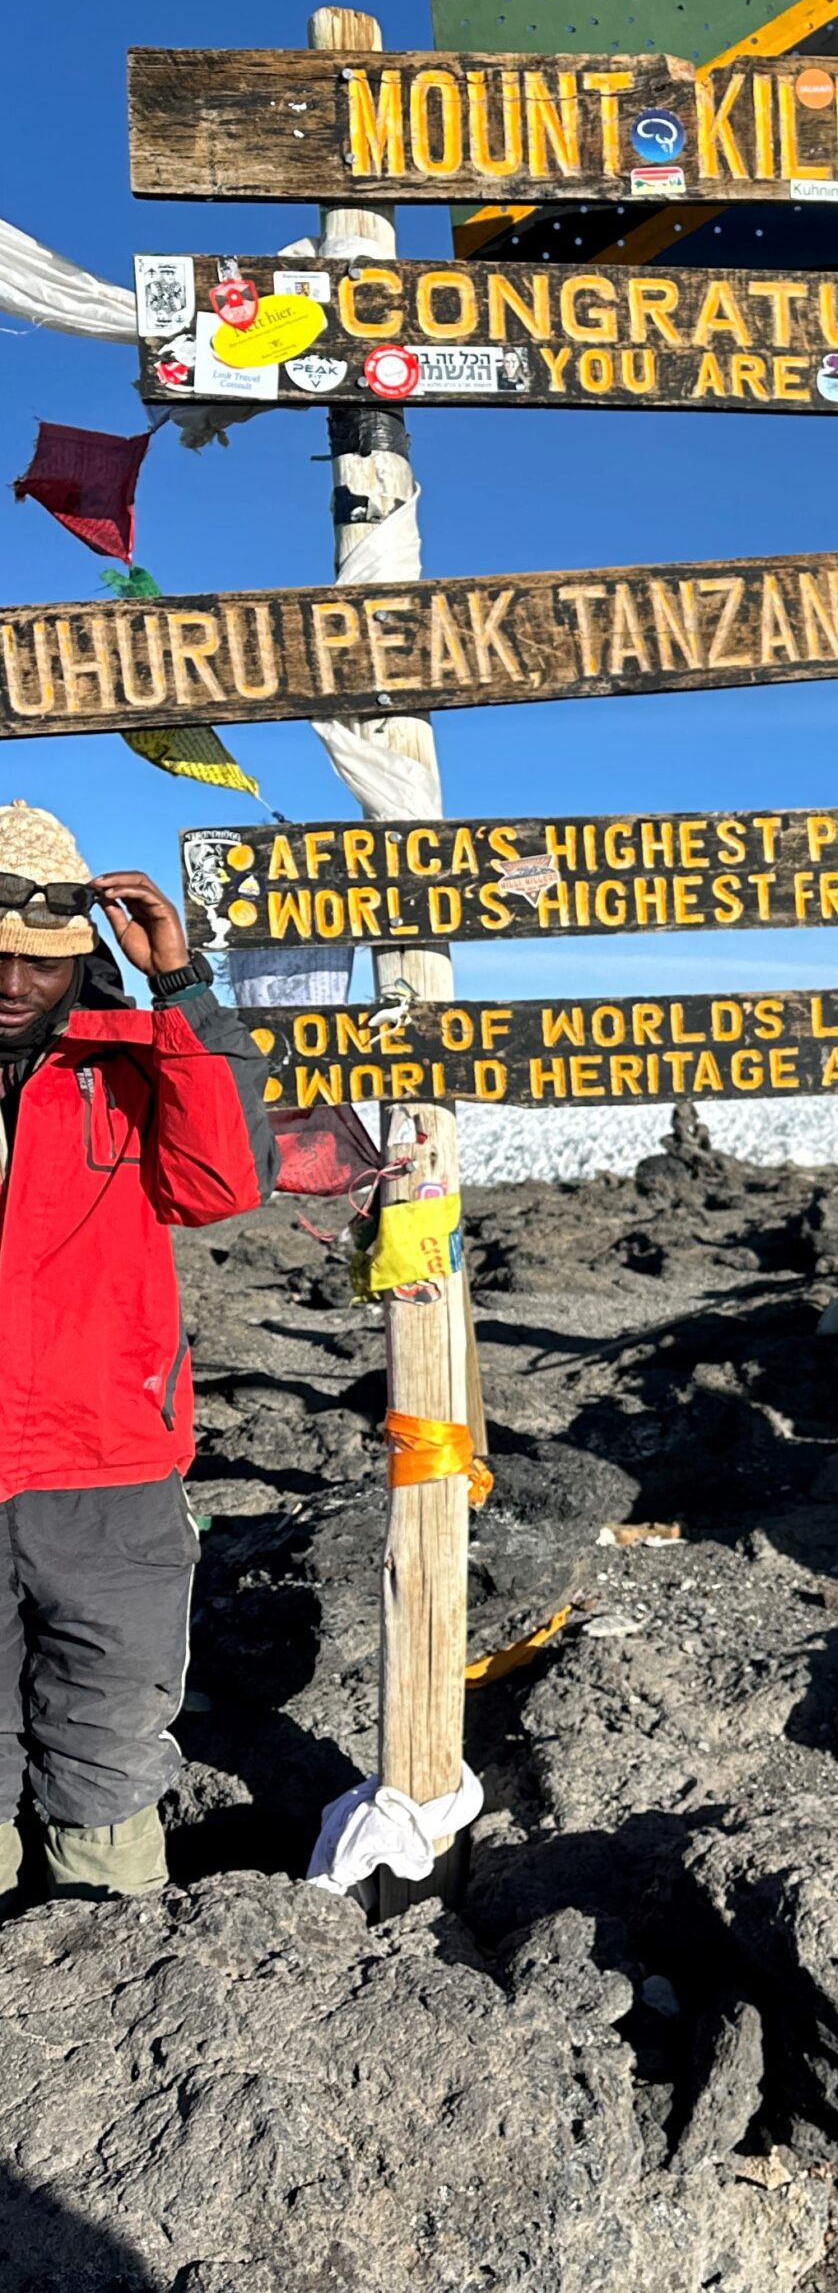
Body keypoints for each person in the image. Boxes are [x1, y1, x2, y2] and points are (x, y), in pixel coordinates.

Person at [0, 803, 274, 1908]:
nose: (14, 978)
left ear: (83, 959)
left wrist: (183, 988)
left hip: (107, 1468)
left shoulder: (136, 1059)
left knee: (109, 1733)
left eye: (42, 957)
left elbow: (220, 1184)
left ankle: (113, 1956)